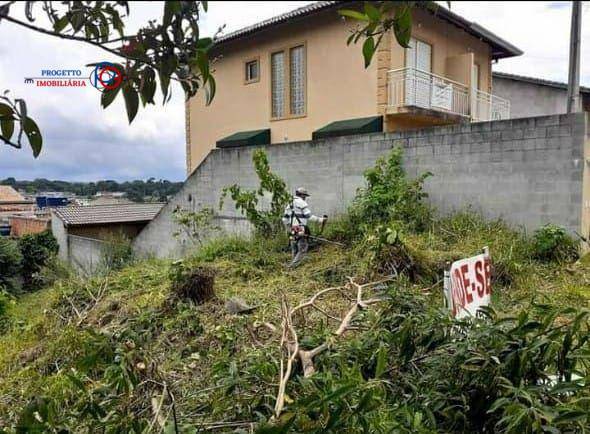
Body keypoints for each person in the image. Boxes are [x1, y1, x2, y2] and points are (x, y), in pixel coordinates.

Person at [282, 187, 327, 268]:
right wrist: (321, 220)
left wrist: (289, 229)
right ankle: (291, 267)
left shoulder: (290, 204)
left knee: (294, 249)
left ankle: (293, 266)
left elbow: (284, 219)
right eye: (305, 196)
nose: (305, 198)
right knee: (302, 249)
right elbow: (309, 217)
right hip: (300, 229)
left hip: (292, 229)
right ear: (302, 195)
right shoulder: (301, 203)